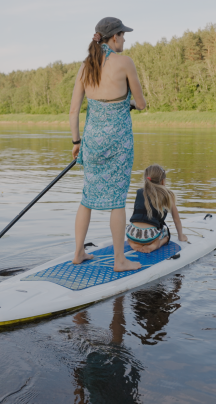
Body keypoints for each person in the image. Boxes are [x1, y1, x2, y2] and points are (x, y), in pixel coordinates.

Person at [70, 17, 147, 272]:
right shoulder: (124, 62)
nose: (124, 40)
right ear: (114, 37)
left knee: (87, 198)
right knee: (116, 200)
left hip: (91, 141)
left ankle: (79, 252)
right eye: (123, 35)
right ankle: (119, 260)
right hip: (118, 144)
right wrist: (129, 104)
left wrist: (76, 142)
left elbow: (73, 112)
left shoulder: (85, 67)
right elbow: (141, 103)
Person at [126, 165, 187, 253]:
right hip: (151, 237)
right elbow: (176, 219)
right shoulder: (167, 195)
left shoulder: (140, 192)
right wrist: (181, 236)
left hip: (133, 233)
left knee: (131, 231)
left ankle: (132, 243)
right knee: (166, 235)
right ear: (162, 181)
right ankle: (155, 245)